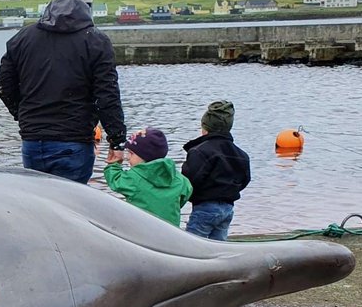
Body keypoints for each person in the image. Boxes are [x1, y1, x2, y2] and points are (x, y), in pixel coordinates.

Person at [0, 0, 126, 183]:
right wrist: (117, 141)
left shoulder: (22, 38)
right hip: (73, 141)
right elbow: (107, 96)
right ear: (87, 5)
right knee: (73, 210)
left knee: (41, 208)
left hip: (32, 141)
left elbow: (3, 86)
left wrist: (24, 115)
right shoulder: (96, 41)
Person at [182, 100, 252, 240]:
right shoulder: (241, 155)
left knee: (192, 245)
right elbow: (245, 180)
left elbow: (188, 180)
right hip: (227, 209)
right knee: (219, 246)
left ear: (205, 128)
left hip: (205, 208)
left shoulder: (200, 151)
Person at [103, 128, 192, 225]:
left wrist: (113, 165)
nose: (127, 157)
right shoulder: (180, 180)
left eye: (131, 153)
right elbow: (187, 192)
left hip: (141, 230)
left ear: (145, 156)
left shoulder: (134, 178)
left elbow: (115, 179)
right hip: (171, 232)